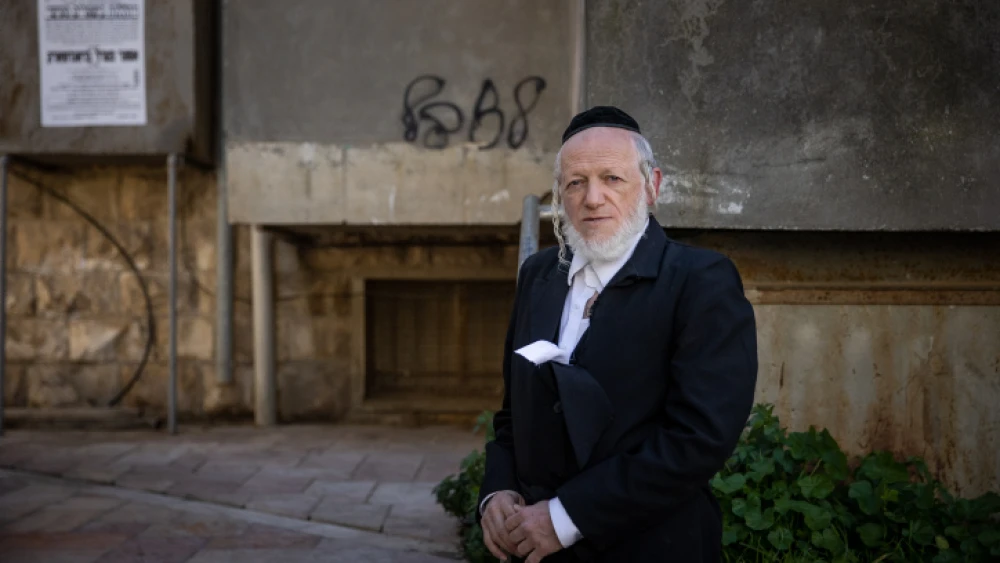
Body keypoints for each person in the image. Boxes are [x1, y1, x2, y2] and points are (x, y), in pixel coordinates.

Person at [476, 106, 758, 562]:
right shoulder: (540, 275)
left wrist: (566, 518)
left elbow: (698, 438)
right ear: (559, 195)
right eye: (575, 182)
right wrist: (498, 492)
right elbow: (514, 417)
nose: (592, 198)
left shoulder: (701, 281)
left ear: (652, 187)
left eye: (612, 178)